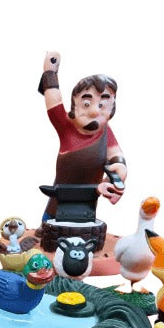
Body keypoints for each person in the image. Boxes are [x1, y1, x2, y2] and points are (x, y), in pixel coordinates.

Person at [38, 52, 127, 220]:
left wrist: (119, 169)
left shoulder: (105, 132)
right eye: (86, 103)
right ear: (75, 104)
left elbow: (115, 154)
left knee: (85, 222)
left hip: (89, 199)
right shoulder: (66, 127)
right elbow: (53, 101)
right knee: (51, 221)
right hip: (60, 196)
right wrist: (50, 73)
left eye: (102, 104)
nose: (94, 111)